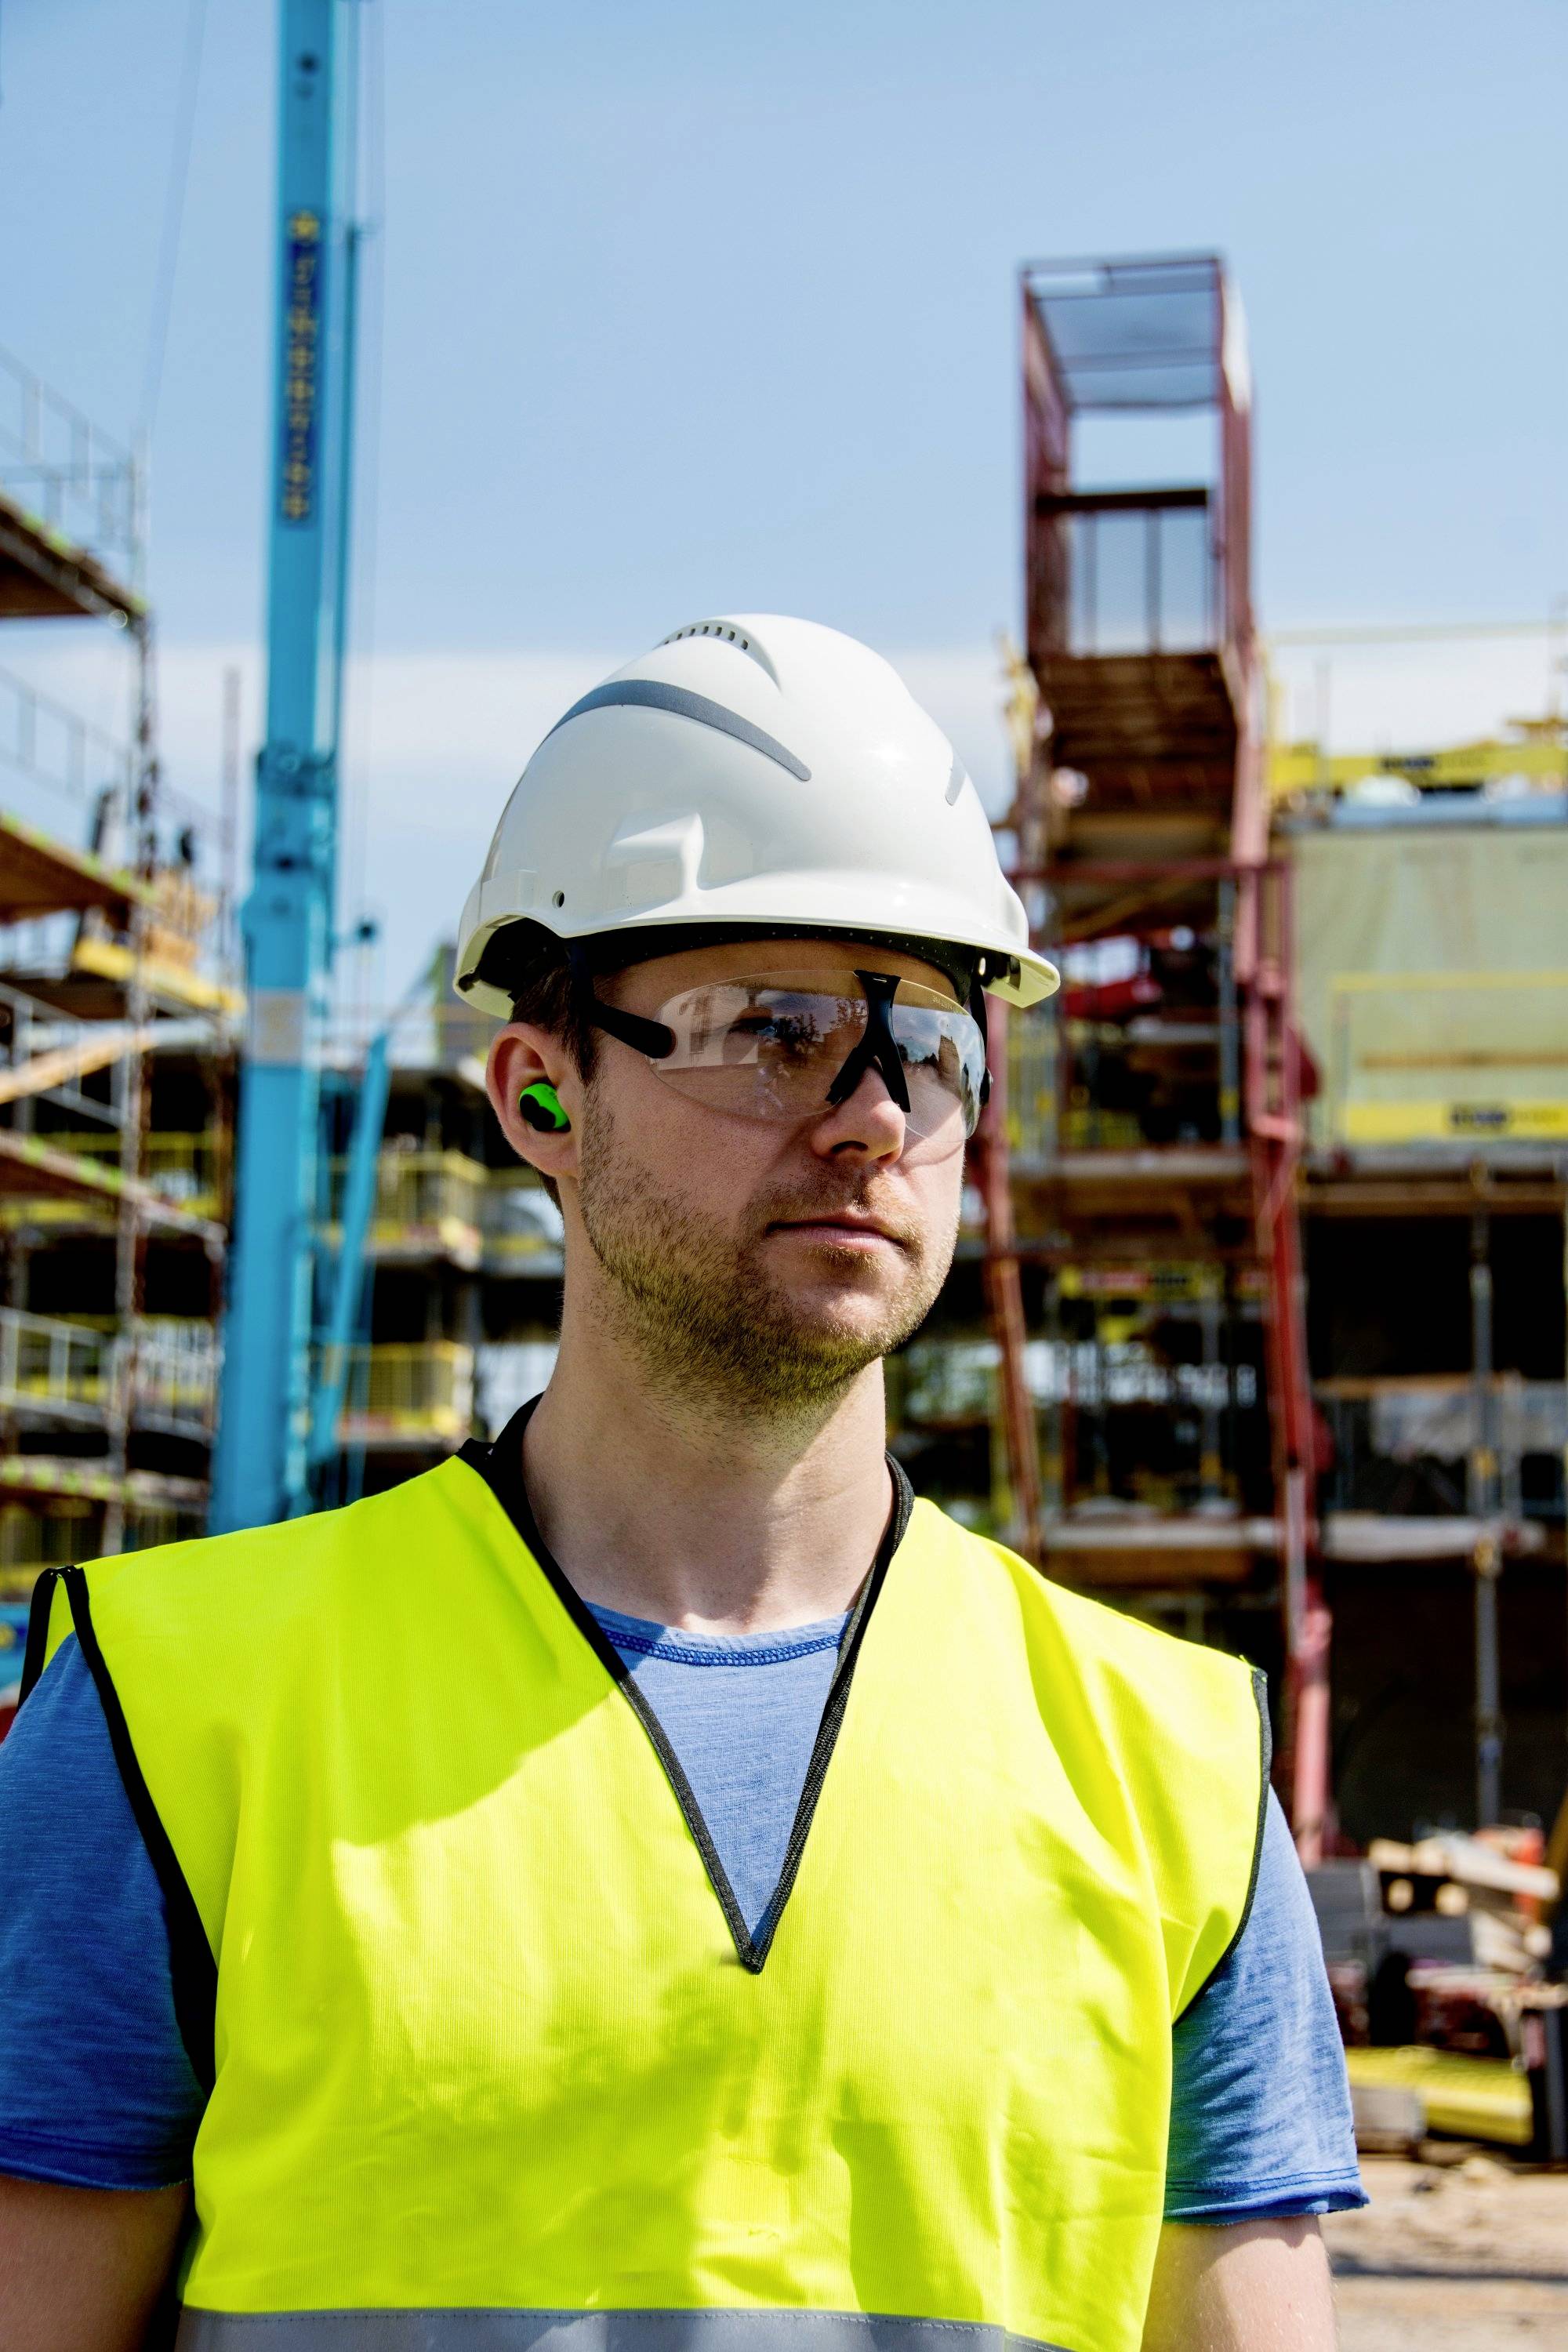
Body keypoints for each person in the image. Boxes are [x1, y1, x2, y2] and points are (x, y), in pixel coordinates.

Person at [0, 616, 1362, 2351]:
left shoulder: (1168, 1768)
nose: (871, 1113)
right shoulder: (170, 1714)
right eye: (771, 1028)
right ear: (542, 1091)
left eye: (926, 1044)